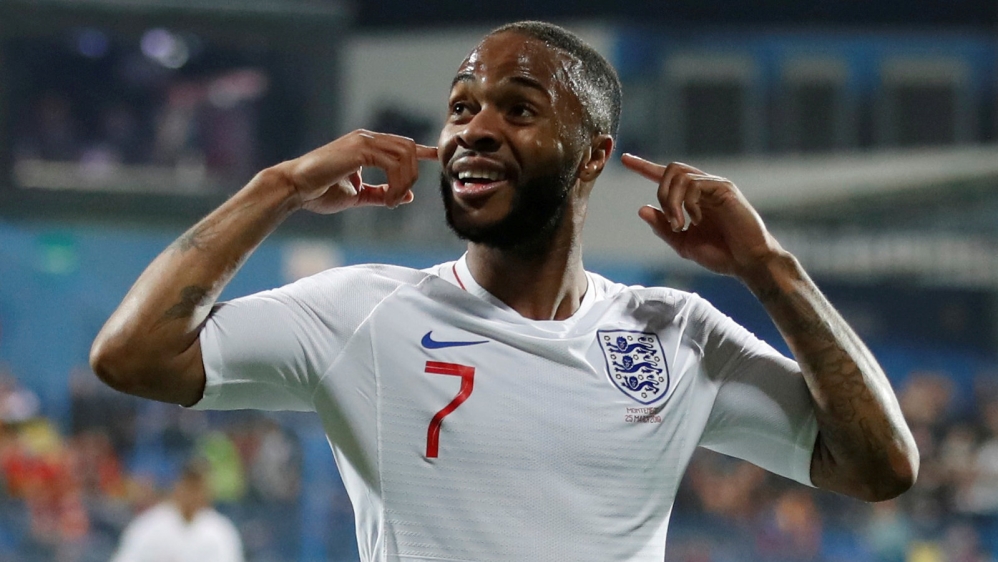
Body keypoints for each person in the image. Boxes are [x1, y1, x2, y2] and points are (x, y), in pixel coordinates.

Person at [91, 20, 919, 561]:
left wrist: (769, 267)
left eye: (519, 109)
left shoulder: (676, 336)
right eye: (460, 108)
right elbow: (132, 356)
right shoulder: (364, 313)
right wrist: (279, 187)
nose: (474, 129)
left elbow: (880, 467)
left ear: (593, 154)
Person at [111, 460, 244, 562]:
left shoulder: (220, 530)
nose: (194, 494)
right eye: (190, 486)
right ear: (178, 486)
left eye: (199, 487)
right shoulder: (148, 525)